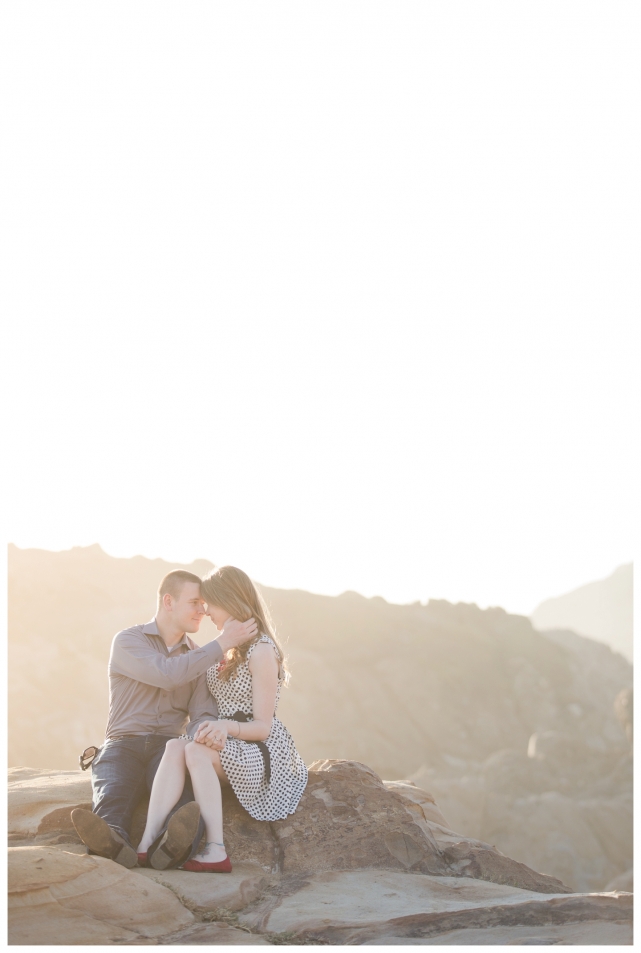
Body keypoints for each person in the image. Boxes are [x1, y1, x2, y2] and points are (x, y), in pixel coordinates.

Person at [71, 569, 257, 869]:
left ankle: (168, 847)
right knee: (113, 794)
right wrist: (222, 643)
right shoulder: (129, 641)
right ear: (168, 601)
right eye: (195, 602)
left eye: (204, 603)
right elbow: (167, 675)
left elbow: (201, 714)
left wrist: (208, 731)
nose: (203, 610)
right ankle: (112, 841)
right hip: (123, 743)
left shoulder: (200, 657)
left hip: (168, 747)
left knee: (186, 804)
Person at [137, 566, 307, 872]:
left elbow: (263, 728)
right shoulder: (226, 648)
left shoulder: (262, 651)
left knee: (193, 750)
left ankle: (216, 849)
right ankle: (146, 841)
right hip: (225, 740)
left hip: (260, 749)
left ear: (228, 601)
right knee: (176, 747)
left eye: (209, 603)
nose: (205, 611)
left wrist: (223, 728)